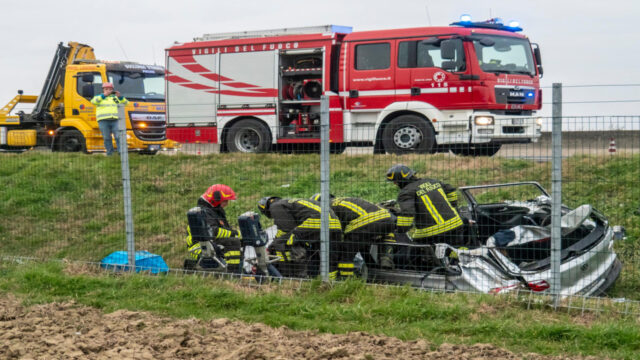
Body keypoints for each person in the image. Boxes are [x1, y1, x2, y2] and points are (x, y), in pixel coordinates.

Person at [257, 196, 342, 278]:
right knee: (325, 257)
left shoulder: (275, 206)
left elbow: (286, 229)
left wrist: (272, 245)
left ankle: (290, 275)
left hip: (317, 223)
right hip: (335, 225)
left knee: (281, 243)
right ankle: (329, 281)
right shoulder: (289, 202)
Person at [310, 193, 397, 273]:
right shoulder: (342, 200)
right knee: (359, 244)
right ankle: (382, 263)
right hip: (388, 219)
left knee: (346, 253)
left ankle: (344, 279)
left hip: (366, 221)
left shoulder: (326, 207)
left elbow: (334, 230)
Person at [386, 164, 463, 247]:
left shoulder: (406, 193)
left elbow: (407, 215)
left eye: (395, 182)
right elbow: (451, 191)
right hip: (456, 224)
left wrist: (399, 230)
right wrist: (452, 206)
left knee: (412, 251)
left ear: (400, 181)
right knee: (455, 248)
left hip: (433, 233)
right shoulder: (432, 181)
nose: (395, 184)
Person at [184, 184, 242, 273]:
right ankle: (233, 274)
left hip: (211, 242)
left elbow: (224, 229)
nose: (227, 203)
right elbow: (213, 231)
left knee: (241, 241)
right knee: (233, 242)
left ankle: (243, 269)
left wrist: (237, 234)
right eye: (225, 201)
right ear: (216, 199)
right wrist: (234, 233)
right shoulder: (204, 212)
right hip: (200, 246)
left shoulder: (215, 211)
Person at [90, 82, 129, 156]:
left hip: (115, 119)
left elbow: (126, 103)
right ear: (103, 89)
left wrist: (120, 97)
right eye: (106, 89)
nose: (108, 90)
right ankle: (110, 153)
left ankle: (121, 152)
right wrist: (104, 95)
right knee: (107, 137)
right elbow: (93, 102)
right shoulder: (99, 97)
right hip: (103, 120)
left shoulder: (115, 98)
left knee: (118, 136)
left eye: (110, 89)